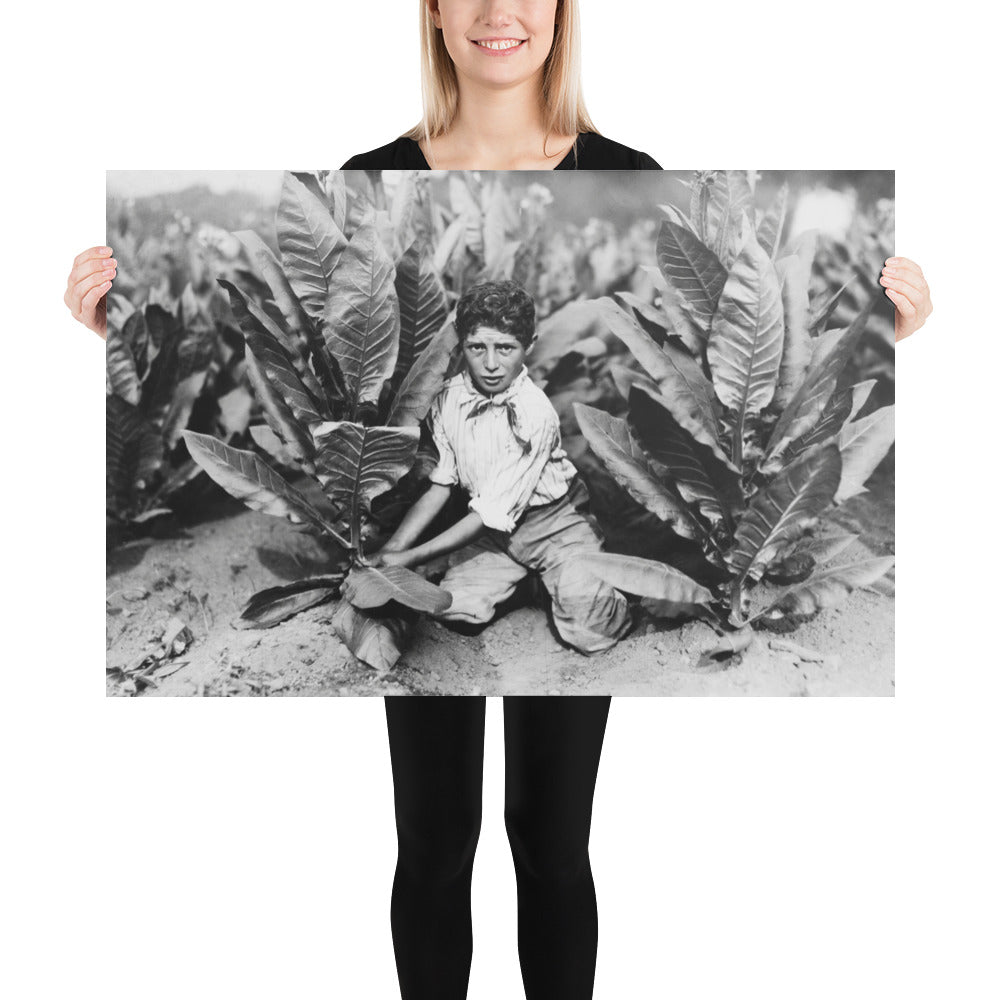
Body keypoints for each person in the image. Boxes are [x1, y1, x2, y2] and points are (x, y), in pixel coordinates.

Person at [72, 3, 931, 998]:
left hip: (541, 520)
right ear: (431, 14)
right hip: (474, 522)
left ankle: (638, 595)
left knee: (550, 833)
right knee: (437, 835)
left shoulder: (621, 169)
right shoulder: (370, 175)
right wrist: (114, 332)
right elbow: (435, 475)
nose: (496, 12)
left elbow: (495, 496)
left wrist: (891, 330)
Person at [353, 278, 632, 654]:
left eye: (505, 348)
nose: (490, 364)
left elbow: (489, 513)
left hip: (555, 525)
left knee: (591, 631)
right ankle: (529, 585)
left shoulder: (535, 414)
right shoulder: (448, 398)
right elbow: (442, 484)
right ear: (462, 344)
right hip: (496, 535)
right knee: (452, 608)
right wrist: (393, 547)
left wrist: (408, 558)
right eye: (476, 347)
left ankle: (589, 579)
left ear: (528, 347)